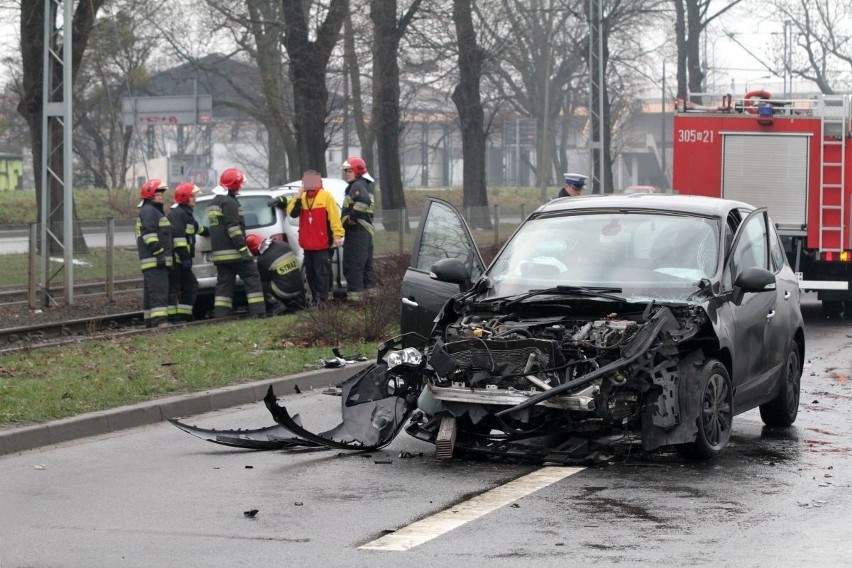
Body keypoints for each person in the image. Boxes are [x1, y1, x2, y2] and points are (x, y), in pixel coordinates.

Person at [207, 168, 265, 318]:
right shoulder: (229, 202)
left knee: (224, 285)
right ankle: (258, 313)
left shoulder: (215, 201)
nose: (241, 187)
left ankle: (221, 316)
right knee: (252, 277)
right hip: (235, 252)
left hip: (220, 255)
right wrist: (243, 249)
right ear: (234, 184)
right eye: (239, 184)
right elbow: (233, 228)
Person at [286, 170, 344, 306]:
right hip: (307, 245)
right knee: (311, 275)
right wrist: (298, 195)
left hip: (322, 245)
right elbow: (292, 212)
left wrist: (338, 235)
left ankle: (323, 301)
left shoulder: (326, 196)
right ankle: (316, 299)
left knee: (322, 274)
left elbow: (334, 218)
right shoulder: (303, 198)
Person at [167, 182, 209, 322]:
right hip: (176, 260)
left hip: (182, 260)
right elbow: (178, 239)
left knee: (190, 286)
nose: (195, 199)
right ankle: (173, 317)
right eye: (192, 196)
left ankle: (184, 315)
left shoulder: (187, 214)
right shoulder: (177, 214)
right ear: (185, 197)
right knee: (175, 289)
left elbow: (197, 228)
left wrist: (211, 232)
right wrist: (185, 257)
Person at [135, 178, 173, 328]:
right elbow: (149, 235)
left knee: (152, 293)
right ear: (149, 195)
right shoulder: (150, 211)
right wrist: (160, 254)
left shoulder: (152, 211)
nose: (160, 196)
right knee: (159, 292)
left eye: (161, 194)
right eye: (157, 193)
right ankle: (160, 323)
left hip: (153, 260)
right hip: (155, 260)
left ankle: (150, 322)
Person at [340, 156, 376, 301]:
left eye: (349, 171)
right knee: (366, 267)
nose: (346, 174)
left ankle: (356, 302)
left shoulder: (357, 185)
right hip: (365, 233)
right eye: (345, 171)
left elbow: (364, 200)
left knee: (353, 266)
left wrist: (352, 217)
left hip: (357, 233)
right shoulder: (364, 185)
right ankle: (372, 299)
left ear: (357, 171)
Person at [245, 233, 305, 315]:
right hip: (299, 288)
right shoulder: (283, 245)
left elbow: (264, 278)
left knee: (258, 284)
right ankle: (298, 302)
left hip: (284, 292)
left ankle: (277, 304)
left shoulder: (262, 260)